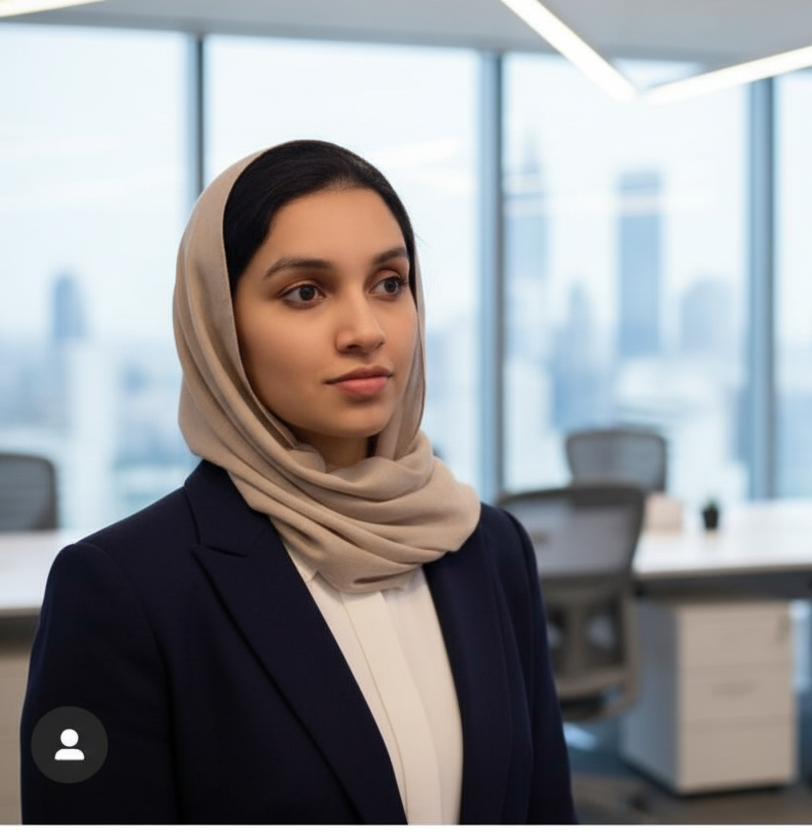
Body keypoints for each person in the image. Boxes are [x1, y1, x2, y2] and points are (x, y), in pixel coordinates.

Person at [20, 140, 576, 824]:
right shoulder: (119, 591)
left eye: (390, 284)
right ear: (219, 326)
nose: (366, 330)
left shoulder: (489, 548)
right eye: (305, 292)